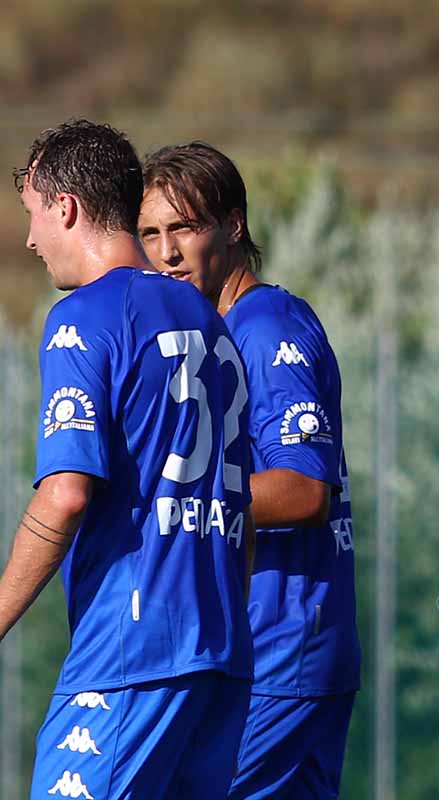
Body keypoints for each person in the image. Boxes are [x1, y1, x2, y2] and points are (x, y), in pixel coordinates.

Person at [1, 119, 255, 798]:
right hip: (222, 656)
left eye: (32, 214)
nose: (29, 239)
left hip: (131, 653)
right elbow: (239, 505)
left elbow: (65, 495)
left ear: (65, 207)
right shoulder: (208, 320)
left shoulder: (84, 317)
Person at [138, 142, 360, 799]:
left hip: (280, 648)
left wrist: (170, 505)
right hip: (279, 651)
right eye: (150, 234)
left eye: (184, 228)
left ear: (233, 226)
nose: (167, 252)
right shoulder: (222, 329)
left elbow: (304, 488)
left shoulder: (265, 329)